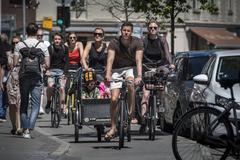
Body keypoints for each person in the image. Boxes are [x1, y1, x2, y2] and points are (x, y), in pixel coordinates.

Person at [104, 22, 143, 140]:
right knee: (114, 98)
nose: (126, 32)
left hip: (130, 69)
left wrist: (139, 75)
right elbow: (110, 59)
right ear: (121, 31)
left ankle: (131, 113)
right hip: (116, 69)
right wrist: (108, 74)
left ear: (131, 32)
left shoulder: (137, 42)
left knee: (130, 84)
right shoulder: (114, 42)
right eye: (124, 30)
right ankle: (113, 127)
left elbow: (138, 60)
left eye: (128, 30)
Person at [14, 23, 50, 139]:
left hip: (23, 76)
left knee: (24, 104)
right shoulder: (42, 45)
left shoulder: (20, 44)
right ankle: (30, 128)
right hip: (37, 77)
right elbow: (48, 64)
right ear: (36, 32)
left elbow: (14, 63)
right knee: (35, 105)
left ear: (26, 31)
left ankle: (25, 129)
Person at [139, 19, 173, 133]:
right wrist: (138, 63)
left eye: (155, 28)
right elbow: (140, 54)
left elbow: (167, 53)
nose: (152, 29)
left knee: (161, 91)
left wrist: (171, 63)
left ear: (157, 29)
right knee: (145, 95)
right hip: (147, 67)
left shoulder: (162, 40)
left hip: (160, 67)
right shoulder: (144, 40)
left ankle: (162, 112)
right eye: (150, 28)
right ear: (148, 29)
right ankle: (143, 121)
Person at [45, 32, 69, 114]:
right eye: (55, 39)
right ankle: (48, 102)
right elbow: (46, 60)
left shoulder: (65, 48)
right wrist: (47, 70)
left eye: (59, 39)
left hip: (61, 72)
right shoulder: (49, 48)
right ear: (53, 40)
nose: (57, 41)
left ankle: (62, 106)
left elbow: (67, 62)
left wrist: (64, 73)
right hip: (51, 71)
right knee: (50, 86)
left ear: (61, 40)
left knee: (62, 88)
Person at [6, 35, 22, 134]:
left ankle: (19, 127)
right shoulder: (9, 54)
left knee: (18, 105)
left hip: (21, 80)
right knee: (12, 105)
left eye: (17, 42)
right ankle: (14, 126)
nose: (15, 44)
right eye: (14, 43)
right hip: (11, 81)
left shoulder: (24, 54)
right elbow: (8, 66)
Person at [37, 28, 50, 115]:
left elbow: (49, 56)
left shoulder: (47, 44)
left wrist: (47, 67)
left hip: (42, 67)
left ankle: (40, 107)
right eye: (38, 35)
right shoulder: (33, 43)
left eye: (41, 36)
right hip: (33, 67)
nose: (39, 37)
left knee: (41, 87)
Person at [0, 38, 8, 123]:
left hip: (1, 74)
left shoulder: (2, 45)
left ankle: (2, 113)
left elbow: (3, 65)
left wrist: (1, 80)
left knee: (1, 94)